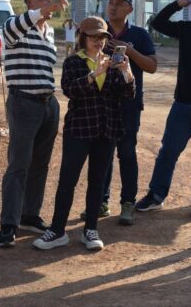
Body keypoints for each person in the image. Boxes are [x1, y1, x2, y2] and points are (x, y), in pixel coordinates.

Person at [33, 16, 135, 251]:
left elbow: (127, 94)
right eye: (93, 37)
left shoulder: (112, 62)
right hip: (79, 129)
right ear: (83, 37)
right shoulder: (73, 61)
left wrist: (127, 73)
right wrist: (94, 74)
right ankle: (57, 230)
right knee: (67, 180)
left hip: (107, 129)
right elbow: (69, 89)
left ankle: (91, 229)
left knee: (97, 182)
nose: (99, 41)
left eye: (103, 37)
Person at [135, 0, 191, 220]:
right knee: (168, 152)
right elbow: (158, 24)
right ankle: (156, 195)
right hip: (183, 103)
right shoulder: (187, 28)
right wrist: (177, 4)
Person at [0, 0, 69, 248]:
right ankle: (9, 223)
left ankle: (29, 214)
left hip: (48, 103)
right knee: (18, 165)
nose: (50, 2)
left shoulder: (49, 32)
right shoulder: (14, 26)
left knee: (40, 164)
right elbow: (12, 29)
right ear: (29, 1)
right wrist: (43, 11)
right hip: (23, 101)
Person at [79, 0, 156, 226]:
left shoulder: (140, 35)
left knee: (127, 153)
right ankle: (100, 202)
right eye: (111, 2)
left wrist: (130, 51)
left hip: (129, 104)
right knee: (102, 154)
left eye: (119, 3)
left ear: (129, 9)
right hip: (101, 105)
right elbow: (81, 59)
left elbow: (152, 66)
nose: (113, 6)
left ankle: (128, 203)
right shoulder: (98, 32)